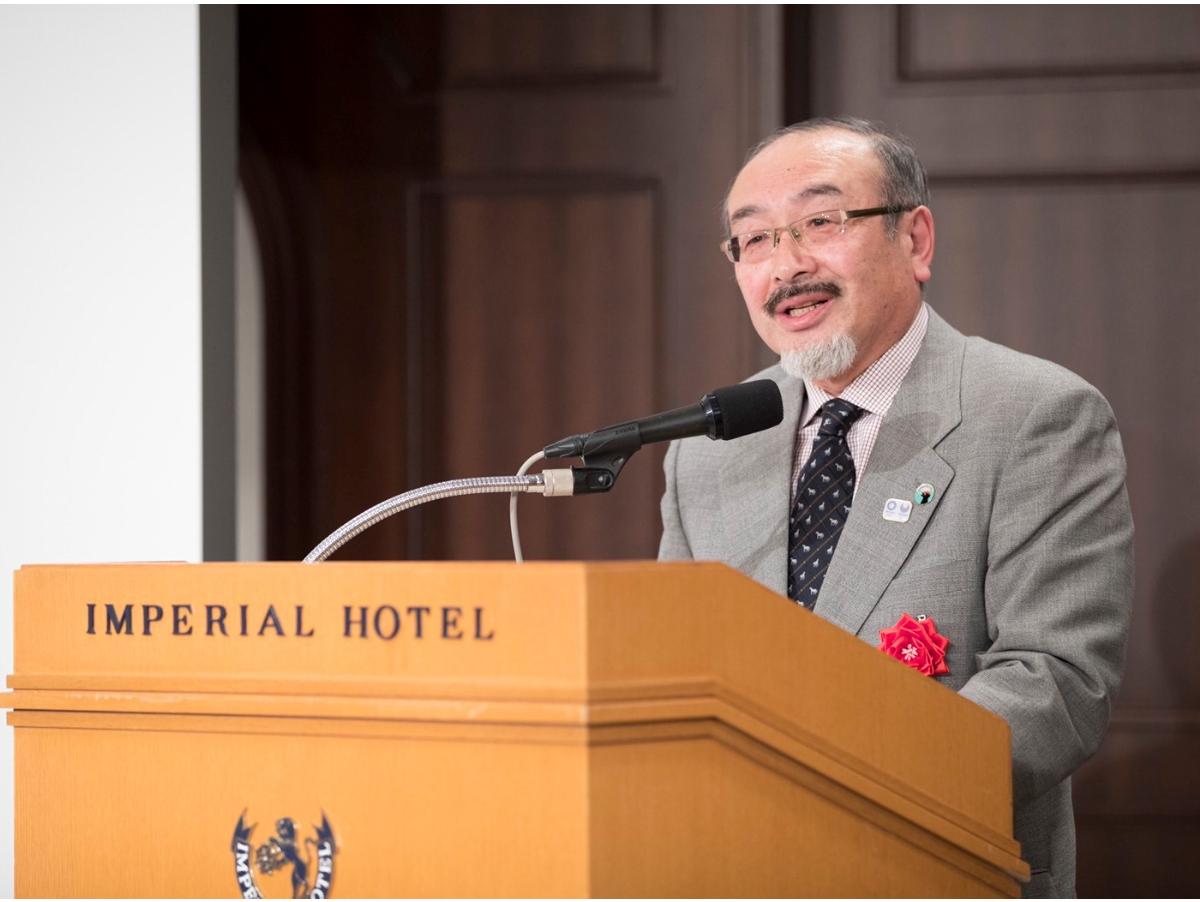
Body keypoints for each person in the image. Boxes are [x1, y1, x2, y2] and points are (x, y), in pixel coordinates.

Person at [658, 117, 1134, 898]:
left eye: (821, 222)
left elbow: (1056, 682)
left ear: (915, 240)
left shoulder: (1033, 414)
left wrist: (828, 783)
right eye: (756, 240)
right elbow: (675, 670)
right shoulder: (709, 447)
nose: (789, 265)